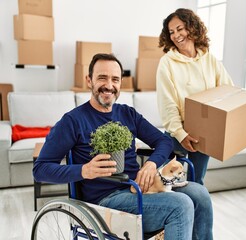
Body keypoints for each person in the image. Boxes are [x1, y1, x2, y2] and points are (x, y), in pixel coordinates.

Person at [33, 53, 213, 240]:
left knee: (199, 194)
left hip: (140, 188)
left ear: (120, 83)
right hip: (105, 201)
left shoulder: (128, 114)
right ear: (89, 80)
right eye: (102, 78)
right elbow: (40, 169)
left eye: (115, 79)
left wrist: (151, 164)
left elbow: (164, 141)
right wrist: (84, 170)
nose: (109, 85)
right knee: (180, 204)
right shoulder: (72, 121)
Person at [156, 8, 235, 185]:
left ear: (192, 27)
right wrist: (180, 134)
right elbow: (167, 103)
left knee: (197, 182)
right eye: (171, 32)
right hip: (177, 134)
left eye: (180, 28)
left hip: (203, 132)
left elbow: (230, 92)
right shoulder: (167, 63)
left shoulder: (210, 59)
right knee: (165, 183)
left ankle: (194, 213)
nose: (176, 35)